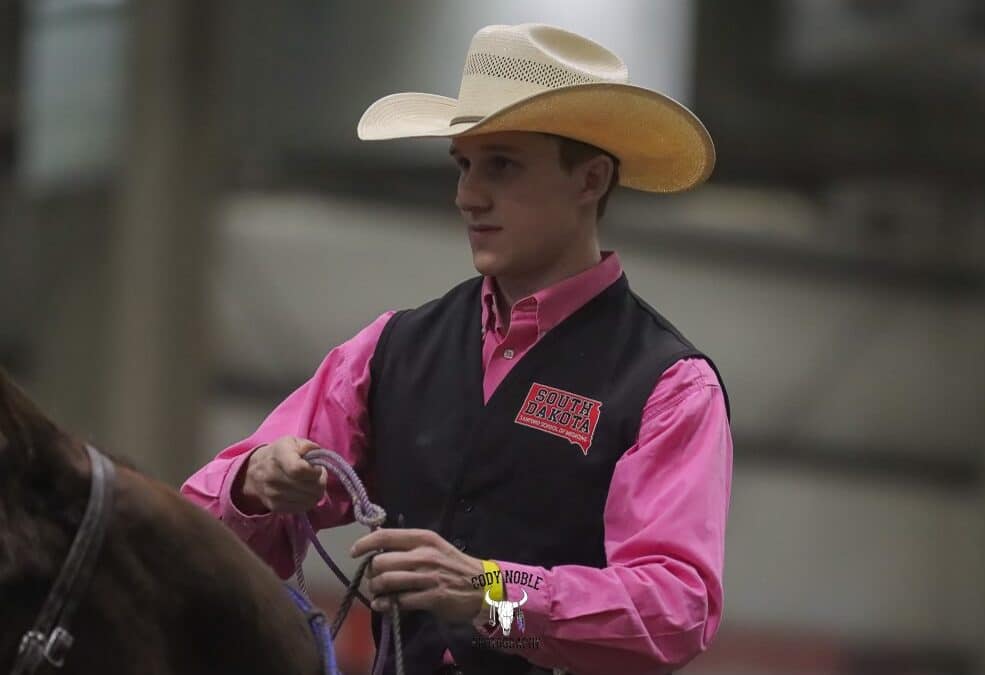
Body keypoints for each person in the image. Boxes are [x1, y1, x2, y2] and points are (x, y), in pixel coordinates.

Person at [181, 22, 733, 675]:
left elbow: (674, 612)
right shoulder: (390, 349)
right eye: (465, 164)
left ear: (590, 179)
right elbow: (201, 531)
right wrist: (254, 483)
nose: (468, 195)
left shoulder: (667, 384)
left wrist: (490, 596)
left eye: (502, 164)